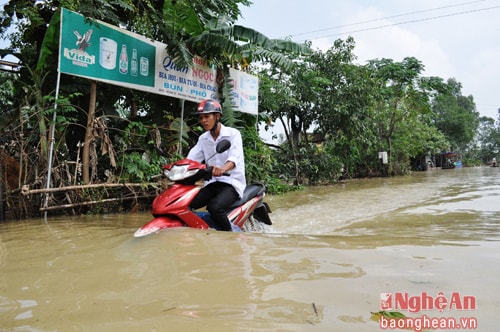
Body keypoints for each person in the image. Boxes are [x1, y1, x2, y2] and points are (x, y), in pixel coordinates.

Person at [187, 99, 246, 231]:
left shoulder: (233, 134)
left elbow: (234, 159)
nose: (203, 121)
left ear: (217, 116)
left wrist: (223, 168)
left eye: (207, 116)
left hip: (232, 182)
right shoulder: (203, 139)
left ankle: (232, 236)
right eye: (201, 117)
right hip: (213, 183)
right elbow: (191, 159)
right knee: (186, 203)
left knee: (215, 207)